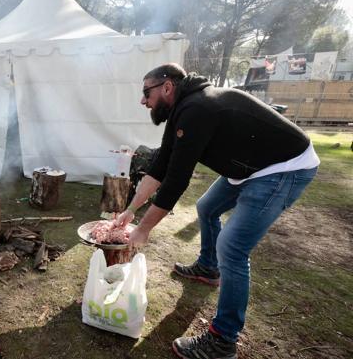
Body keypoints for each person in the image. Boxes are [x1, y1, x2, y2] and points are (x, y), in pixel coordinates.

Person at [114, 63, 319, 359]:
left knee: (233, 248)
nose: (142, 100)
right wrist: (131, 210)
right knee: (206, 207)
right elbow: (161, 165)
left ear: (167, 87)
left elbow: (176, 180)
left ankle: (223, 340)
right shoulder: (183, 109)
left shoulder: (198, 108)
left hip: (283, 168)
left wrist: (143, 230)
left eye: (146, 92)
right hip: (252, 167)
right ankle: (208, 267)